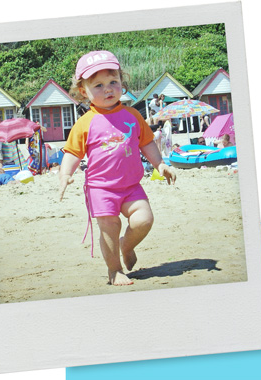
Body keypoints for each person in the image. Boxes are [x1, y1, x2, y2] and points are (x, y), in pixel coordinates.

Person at [59, 50, 176, 286]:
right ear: (84, 91)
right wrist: (65, 175)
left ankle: (127, 245)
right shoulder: (85, 123)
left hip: (131, 186)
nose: (108, 89)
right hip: (101, 188)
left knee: (144, 220)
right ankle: (114, 270)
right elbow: (72, 152)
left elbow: (146, 143)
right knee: (109, 229)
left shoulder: (133, 115)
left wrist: (160, 164)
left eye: (113, 82)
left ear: (122, 82)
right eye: (99, 85)